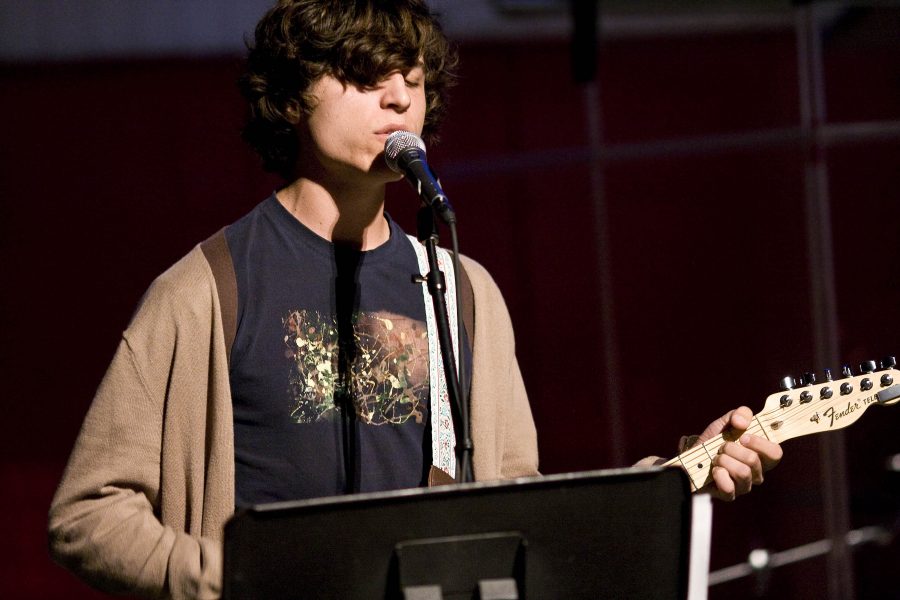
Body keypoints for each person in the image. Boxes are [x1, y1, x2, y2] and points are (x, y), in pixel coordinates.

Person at [48, 1, 782, 598]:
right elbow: (89, 514)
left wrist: (682, 471)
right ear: (296, 93)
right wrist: (236, 577)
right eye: (368, 77)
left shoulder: (463, 291)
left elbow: (519, 507)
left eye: (415, 79)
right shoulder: (205, 290)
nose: (401, 96)